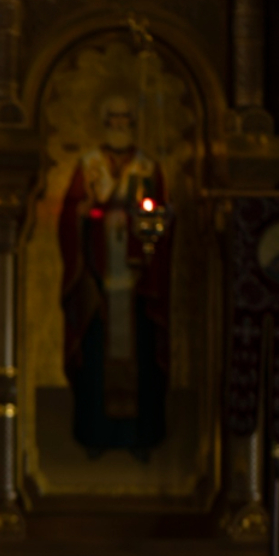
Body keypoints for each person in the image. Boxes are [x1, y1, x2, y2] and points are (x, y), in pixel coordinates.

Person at [59, 93, 171, 457]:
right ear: (105, 122)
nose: (120, 124)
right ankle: (96, 435)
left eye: (126, 118)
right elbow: (68, 215)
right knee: (95, 354)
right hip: (97, 278)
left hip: (138, 282)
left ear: (133, 123)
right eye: (114, 118)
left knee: (141, 353)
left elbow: (163, 220)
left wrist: (149, 227)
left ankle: (140, 437)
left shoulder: (148, 168)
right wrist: (83, 212)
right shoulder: (89, 165)